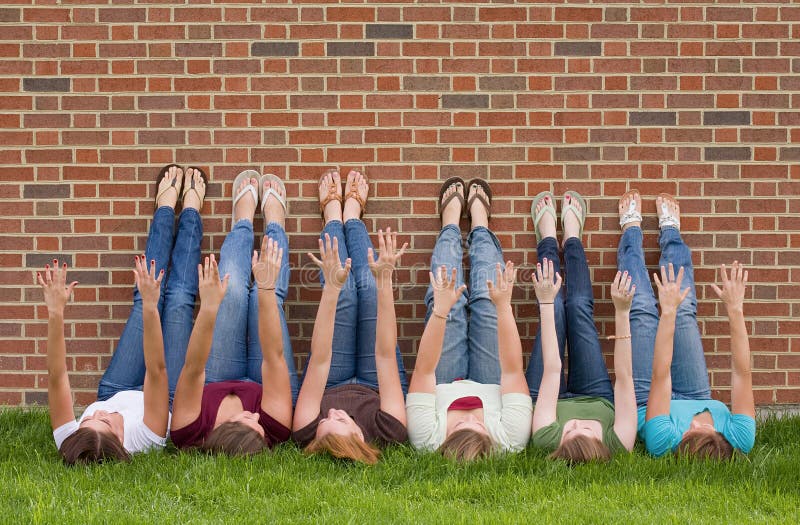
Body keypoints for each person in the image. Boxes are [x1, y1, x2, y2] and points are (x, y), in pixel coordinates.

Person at [42, 164, 207, 464]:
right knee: (177, 301)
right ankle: (192, 211)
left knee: (145, 294)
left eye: (88, 419)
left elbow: (57, 376)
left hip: (114, 388)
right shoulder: (145, 438)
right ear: (121, 444)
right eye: (104, 422)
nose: (100, 412)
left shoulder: (73, 440)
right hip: (164, 395)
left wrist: (56, 312)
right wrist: (149, 305)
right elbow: (156, 371)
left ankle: (165, 208)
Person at [618, 190, 756, 459]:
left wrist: (665, 312)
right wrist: (735, 308)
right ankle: (670, 233)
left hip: (650, 399)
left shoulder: (664, 441)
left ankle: (631, 232)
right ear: (721, 439)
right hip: (696, 393)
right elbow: (742, 372)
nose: (690, 425)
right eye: (699, 430)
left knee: (643, 308)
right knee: (684, 309)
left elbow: (661, 375)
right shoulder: (740, 437)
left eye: (685, 436)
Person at [170, 170, 298, 456]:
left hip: (215, 376)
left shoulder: (188, 430)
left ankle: (242, 222)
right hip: (267, 380)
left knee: (232, 292)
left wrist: (210, 307)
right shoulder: (274, 427)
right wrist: (264, 289)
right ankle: (276, 223)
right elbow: (274, 358)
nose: (256, 417)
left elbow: (193, 368)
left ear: (221, 431)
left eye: (247, 420)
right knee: (267, 296)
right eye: (259, 426)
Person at [406, 178, 532, 461]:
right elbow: (513, 371)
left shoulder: (426, 437)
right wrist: (504, 307)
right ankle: (480, 223)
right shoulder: (510, 438)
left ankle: (450, 222)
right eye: (480, 426)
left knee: (448, 304)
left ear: (444, 440)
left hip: (442, 380)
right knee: (488, 301)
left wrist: (439, 311)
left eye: (461, 424)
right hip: (494, 380)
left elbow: (424, 371)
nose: (472, 417)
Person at [292, 170, 408, 465]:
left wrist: (331, 287)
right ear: (358, 436)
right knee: (369, 287)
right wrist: (385, 281)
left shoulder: (305, 429)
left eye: (324, 421)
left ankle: (333, 216)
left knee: (343, 293)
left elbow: (318, 359)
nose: (332, 413)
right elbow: (385, 355)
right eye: (339, 420)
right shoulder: (390, 430)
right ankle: (353, 216)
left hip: (330, 377)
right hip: (375, 381)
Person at [526, 191, 638, 463]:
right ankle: (573, 239)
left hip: (546, 393)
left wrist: (544, 302)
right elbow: (624, 380)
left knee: (554, 311)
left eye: (567, 433)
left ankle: (549, 239)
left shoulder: (546, 437)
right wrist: (622, 312)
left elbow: (552, 371)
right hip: (595, 395)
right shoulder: (619, 441)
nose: (573, 424)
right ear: (602, 445)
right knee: (577, 308)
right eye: (584, 429)